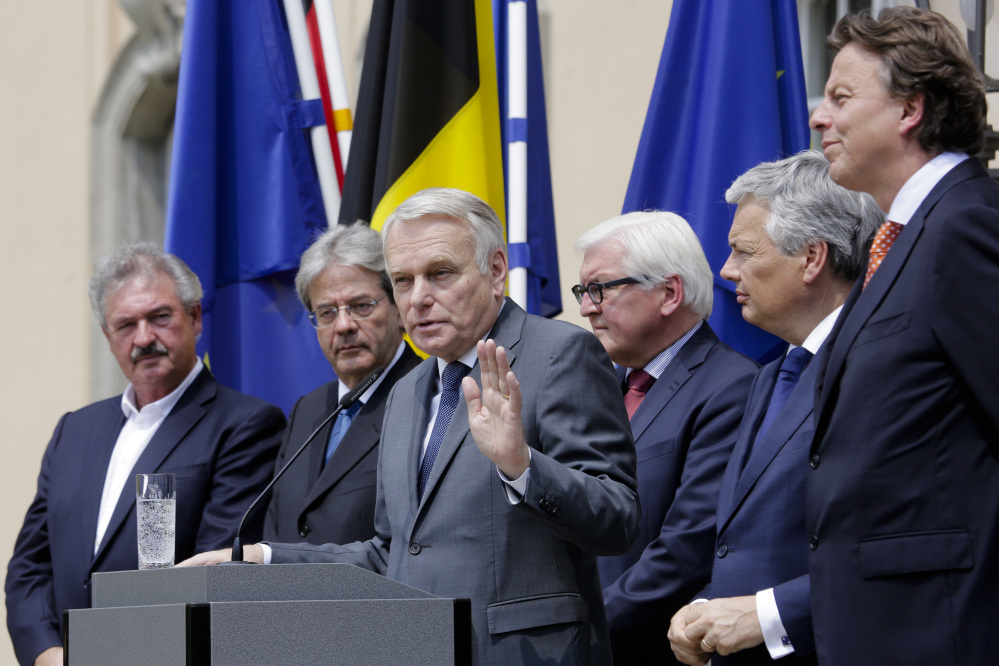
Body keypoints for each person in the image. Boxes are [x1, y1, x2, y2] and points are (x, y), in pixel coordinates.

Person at [180, 188, 640, 665]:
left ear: (496, 269)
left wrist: (521, 467)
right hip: (419, 650)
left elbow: (619, 520)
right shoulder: (406, 391)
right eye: (402, 280)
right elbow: (391, 553)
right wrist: (265, 559)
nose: (419, 298)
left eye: (440, 273)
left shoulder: (561, 354)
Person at [805, 8, 999, 663]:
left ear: (909, 109)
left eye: (839, 97)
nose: (817, 118)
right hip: (874, 625)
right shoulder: (897, 241)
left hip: (941, 627)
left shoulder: (967, 226)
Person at [5, 243, 285, 666]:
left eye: (159, 317)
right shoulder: (74, 430)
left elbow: (214, 575)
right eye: (125, 324)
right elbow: (29, 568)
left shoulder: (246, 425)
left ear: (194, 318)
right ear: (107, 336)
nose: (143, 338)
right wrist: (49, 655)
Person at [667, 150, 881, 665]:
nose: (726, 270)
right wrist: (706, 605)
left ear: (812, 258)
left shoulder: (879, 371)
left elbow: (889, 548)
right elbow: (747, 538)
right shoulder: (771, 375)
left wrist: (767, 615)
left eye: (744, 251)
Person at [573, 211, 757, 663]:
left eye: (600, 289)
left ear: (669, 293)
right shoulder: (598, 385)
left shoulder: (732, 386)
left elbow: (686, 549)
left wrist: (580, 636)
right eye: (583, 291)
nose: (585, 308)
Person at [263, 223, 421, 546]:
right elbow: (277, 528)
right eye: (327, 312)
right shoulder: (306, 411)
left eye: (361, 305)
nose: (344, 325)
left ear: (400, 310)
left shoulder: (428, 396)